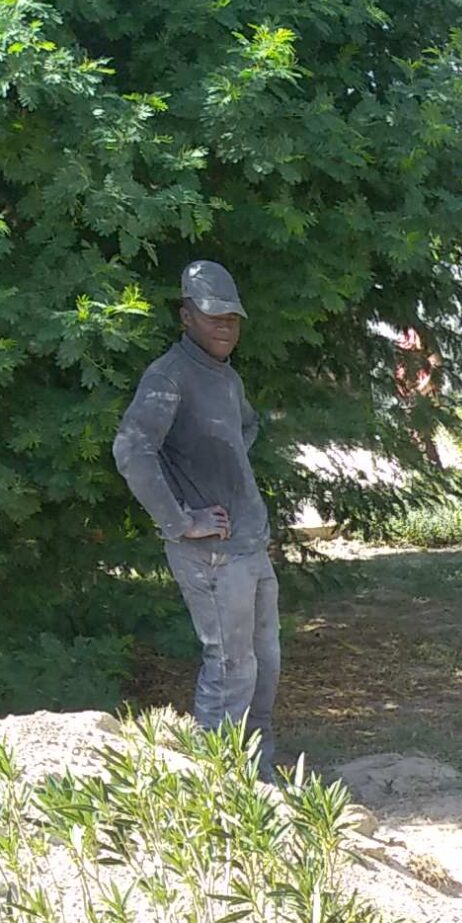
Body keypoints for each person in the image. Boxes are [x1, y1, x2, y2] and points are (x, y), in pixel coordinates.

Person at [112, 259, 280, 772]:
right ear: (186, 316)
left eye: (232, 318)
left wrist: (222, 474)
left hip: (249, 544)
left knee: (264, 667)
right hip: (209, 554)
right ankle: (218, 783)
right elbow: (131, 450)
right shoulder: (169, 375)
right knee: (230, 669)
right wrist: (182, 520)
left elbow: (244, 430)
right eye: (213, 317)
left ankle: (261, 776)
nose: (225, 327)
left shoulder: (224, 377)